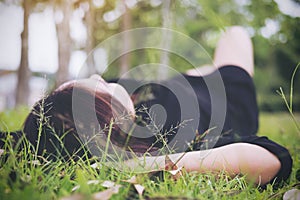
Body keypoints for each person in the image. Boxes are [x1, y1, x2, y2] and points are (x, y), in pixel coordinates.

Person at [0, 26, 292, 189]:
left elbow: (15, 141)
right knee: (235, 34)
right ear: (114, 115)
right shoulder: (170, 138)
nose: (97, 76)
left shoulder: (55, 129)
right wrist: (143, 165)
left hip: (171, 84)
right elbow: (272, 158)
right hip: (222, 95)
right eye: (97, 85)